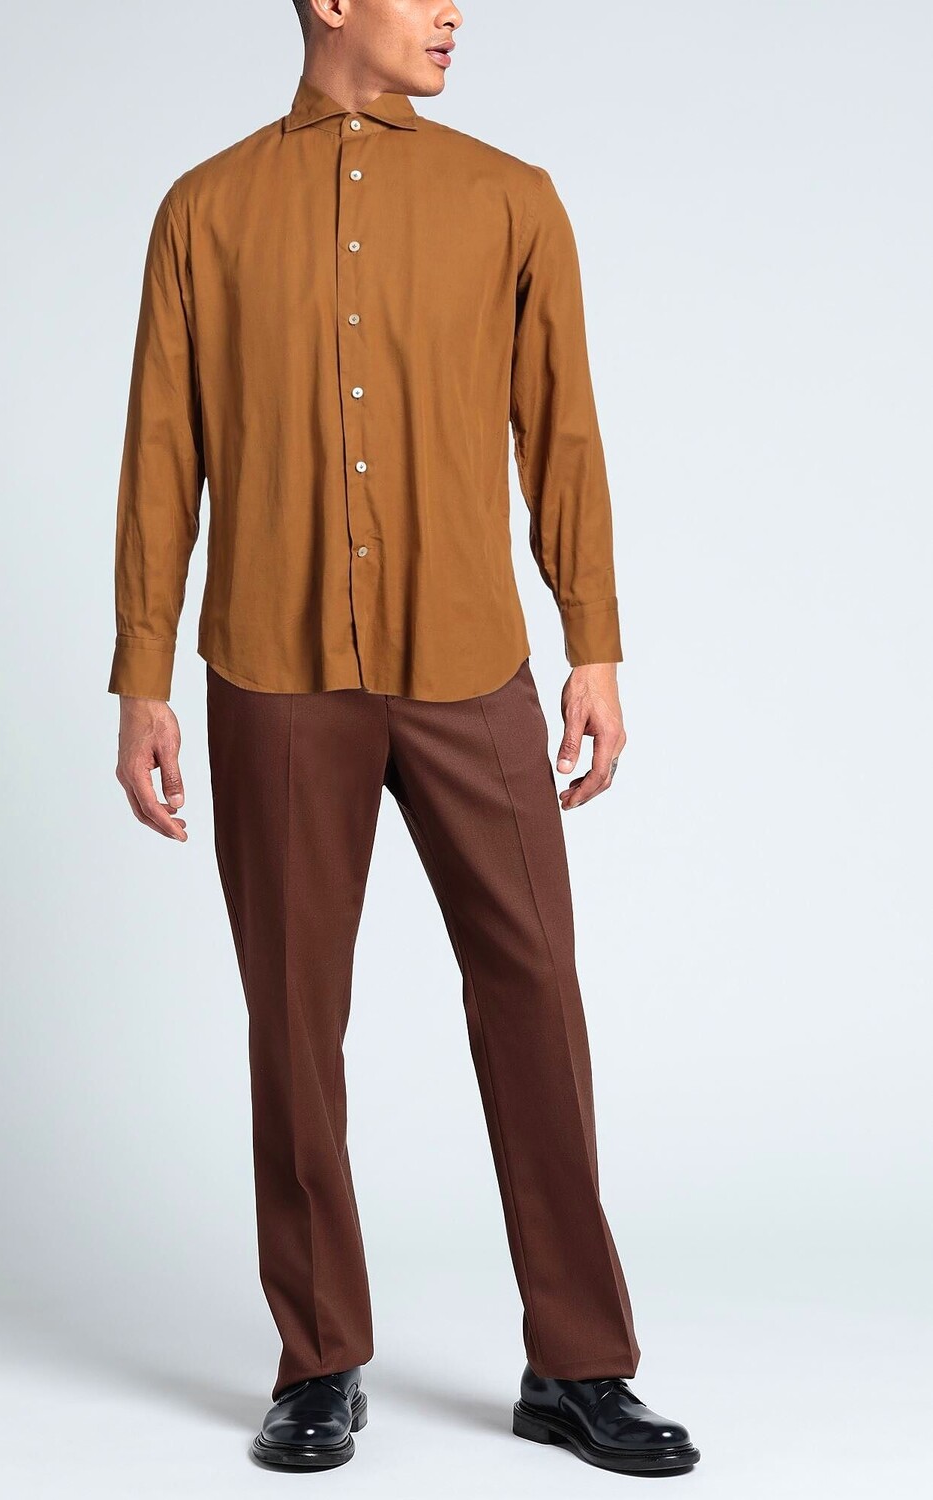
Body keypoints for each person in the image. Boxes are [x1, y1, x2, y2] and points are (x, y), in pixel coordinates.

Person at [108, 0, 699, 1478]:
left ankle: (578, 1362)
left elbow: (562, 427)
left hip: (467, 662)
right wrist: (141, 677)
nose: (451, 11)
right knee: (293, 1017)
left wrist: (593, 642)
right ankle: (318, 1359)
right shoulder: (204, 211)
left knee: (534, 991)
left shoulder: (510, 198)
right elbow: (160, 449)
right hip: (272, 665)